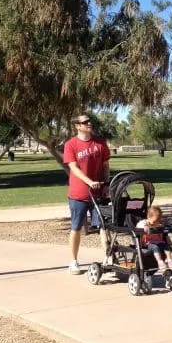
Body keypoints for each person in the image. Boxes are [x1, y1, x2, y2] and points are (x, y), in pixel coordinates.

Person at [62, 113, 110, 274]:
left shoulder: (100, 143)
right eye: (85, 122)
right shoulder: (71, 145)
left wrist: (106, 184)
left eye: (90, 121)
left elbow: (105, 166)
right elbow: (73, 168)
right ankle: (73, 261)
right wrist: (89, 182)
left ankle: (108, 257)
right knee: (76, 227)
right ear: (77, 126)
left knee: (104, 226)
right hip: (79, 195)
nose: (89, 123)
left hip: (98, 193)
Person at [137, 205, 172, 272]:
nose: (156, 223)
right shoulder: (144, 223)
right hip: (148, 244)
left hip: (158, 241)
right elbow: (139, 225)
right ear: (149, 217)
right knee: (155, 247)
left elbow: (164, 226)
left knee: (166, 246)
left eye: (158, 221)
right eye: (154, 222)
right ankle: (160, 262)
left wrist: (164, 227)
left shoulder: (158, 223)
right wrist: (145, 226)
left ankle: (169, 260)